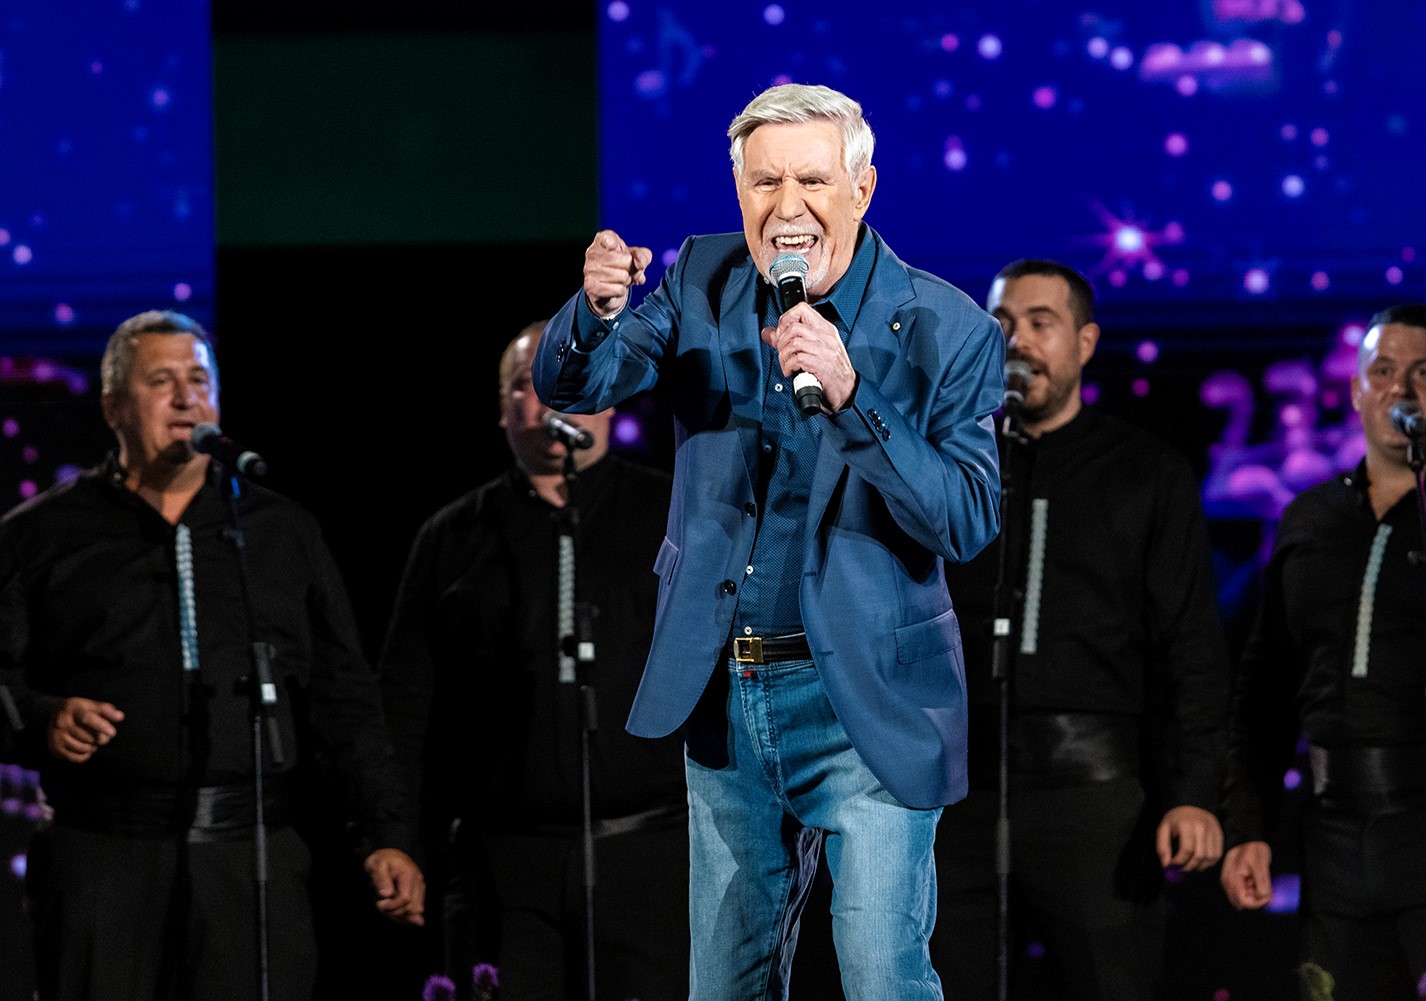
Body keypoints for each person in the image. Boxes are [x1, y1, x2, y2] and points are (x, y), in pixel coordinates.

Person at [532, 83, 1004, 998]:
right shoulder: (700, 280)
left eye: (813, 181)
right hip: (727, 692)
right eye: (765, 182)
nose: (788, 208)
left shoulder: (947, 328)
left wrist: (854, 396)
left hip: (870, 701)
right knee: (726, 984)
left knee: (882, 975)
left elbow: (967, 518)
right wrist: (594, 312)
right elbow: (579, 386)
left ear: (862, 189)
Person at [0, 310, 424, 1001]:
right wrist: (41, 718)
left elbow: (344, 696)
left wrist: (386, 833)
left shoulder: (280, 531)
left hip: (249, 858)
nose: (185, 397)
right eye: (160, 381)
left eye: (199, 380)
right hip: (101, 860)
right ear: (112, 407)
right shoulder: (41, 534)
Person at [933, 260, 1231, 1001]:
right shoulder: (950, 463)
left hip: (1096, 802)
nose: (1018, 342)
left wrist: (1194, 791)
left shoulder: (1144, 472)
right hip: (955, 796)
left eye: (1041, 323)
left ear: (1086, 343)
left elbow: (1191, 644)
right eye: (1003, 324)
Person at [377, 325, 688, 1001]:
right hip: (501, 866)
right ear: (503, 408)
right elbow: (404, 702)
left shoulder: (675, 515)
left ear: (610, 394)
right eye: (532, 381)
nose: (556, 396)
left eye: (576, 373)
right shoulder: (453, 536)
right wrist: (394, 837)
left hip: (654, 857)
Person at [1220, 304, 1426, 999]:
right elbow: (1266, 686)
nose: (1400, 388)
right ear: (1355, 390)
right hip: (1335, 836)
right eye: (1382, 371)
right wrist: (1249, 824)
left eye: (1424, 372)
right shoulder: (1310, 518)